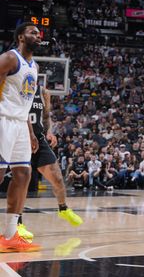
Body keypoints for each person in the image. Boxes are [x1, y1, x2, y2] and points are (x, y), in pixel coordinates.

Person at [17, 86, 83, 242]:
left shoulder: (43, 92)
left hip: (39, 140)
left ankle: (63, 208)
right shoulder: (17, 87)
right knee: (22, 183)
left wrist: (49, 131)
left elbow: (46, 116)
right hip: (20, 139)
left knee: (58, 179)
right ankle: (18, 223)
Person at [0, 22, 43, 252]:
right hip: (2, 121)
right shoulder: (10, 57)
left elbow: (25, 103)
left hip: (20, 125)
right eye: (32, 32)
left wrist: (30, 132)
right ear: (20, 36)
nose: (37, 36)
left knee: (24, 173)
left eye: (38, 33)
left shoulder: (34, 66)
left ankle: (9, 234)